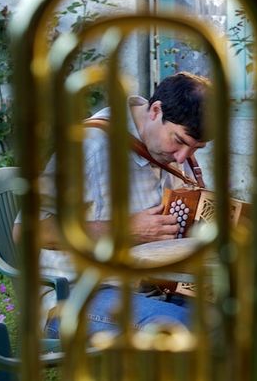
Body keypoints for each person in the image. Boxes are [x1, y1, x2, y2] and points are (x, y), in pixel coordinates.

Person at [14, 71, 212, 337]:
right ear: (155, 111)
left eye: (195, 149)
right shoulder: (87, 147)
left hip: (150, 287)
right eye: (178, 141)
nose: (182, 158)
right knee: (185, 328)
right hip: (78, 294)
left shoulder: (172, 153)